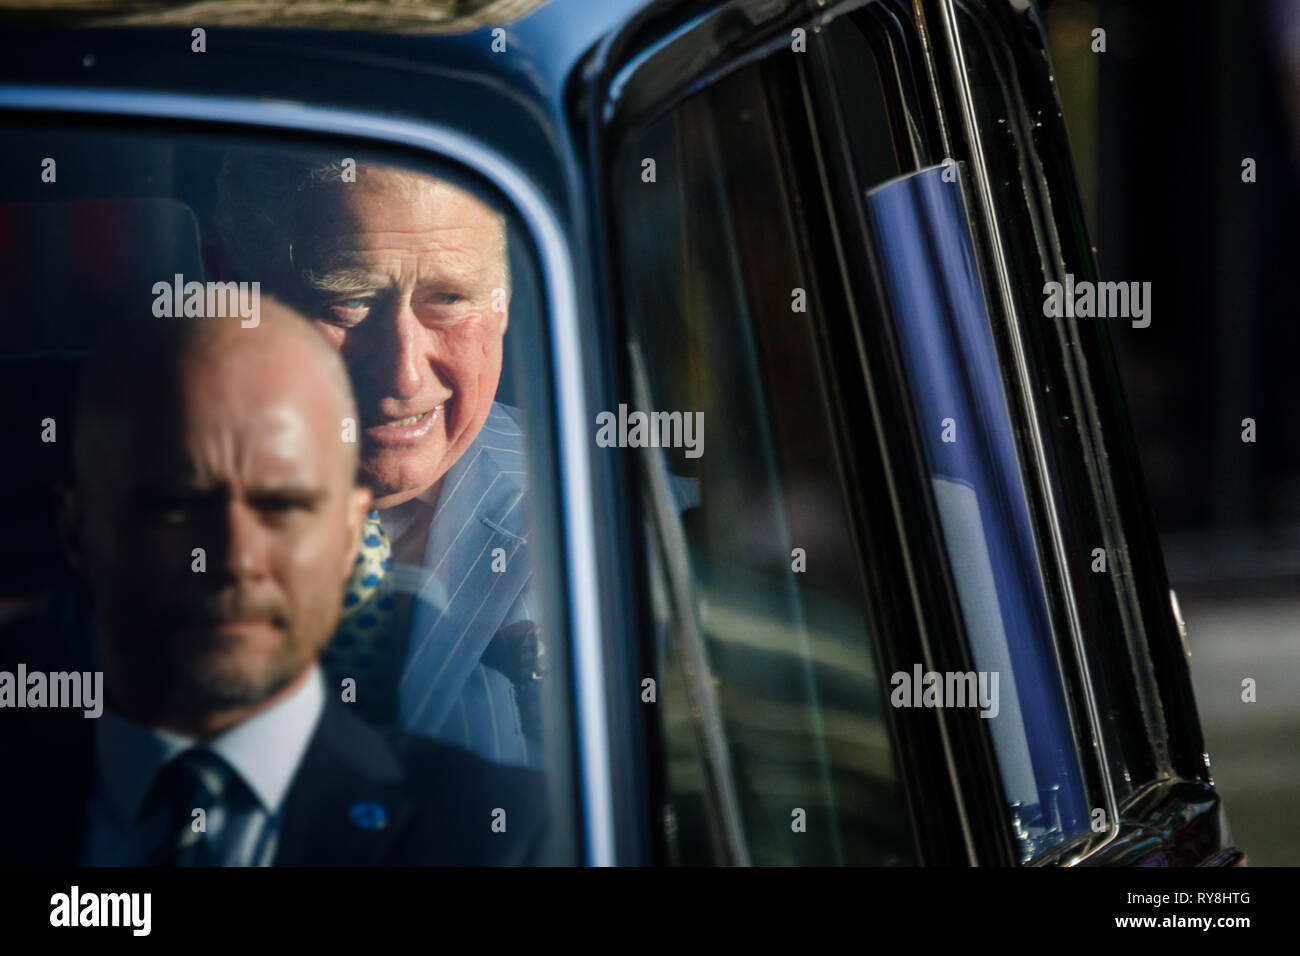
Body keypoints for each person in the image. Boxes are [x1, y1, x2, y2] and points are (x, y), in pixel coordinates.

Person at [0, 302, 546, 866]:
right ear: (78, 528)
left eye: (283, 504)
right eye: (176, 505)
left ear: (348, 534)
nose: (237, 557)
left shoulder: (510, 843)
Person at [212, 154, 542, 768]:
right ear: (232, 287)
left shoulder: (612, 517)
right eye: (348, 300)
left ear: (503, 302)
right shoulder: (118, 517)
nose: (404, 371)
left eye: (448, 298)